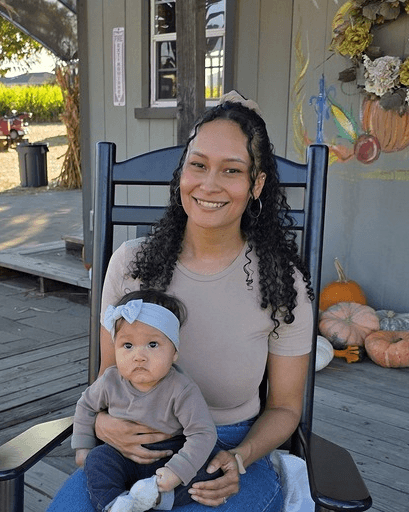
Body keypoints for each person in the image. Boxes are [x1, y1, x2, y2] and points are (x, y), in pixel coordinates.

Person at [48, 90, 313, 512]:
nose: (209, 184)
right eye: (198, 165)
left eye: (231, 170)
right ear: (182, 172)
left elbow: (284, 406)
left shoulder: (281, 283)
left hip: (226, 450)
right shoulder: (130, 264)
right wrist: (101, 424)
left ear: (257, 184)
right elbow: (107, 376)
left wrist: (240, 457)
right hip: (131, 447)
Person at [72, 290, 218, 512]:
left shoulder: (181, 388)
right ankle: (115, 504)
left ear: (174, 352)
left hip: (168, 455)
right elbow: (86, 406)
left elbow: (203, 432)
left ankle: (154, 497)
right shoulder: (110, 381)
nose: (139, 356)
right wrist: (83, 446)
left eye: (152, 344)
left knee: (209, 469)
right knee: (97, 460)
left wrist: (176, 471)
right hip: (120, 455)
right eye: (127, 346)